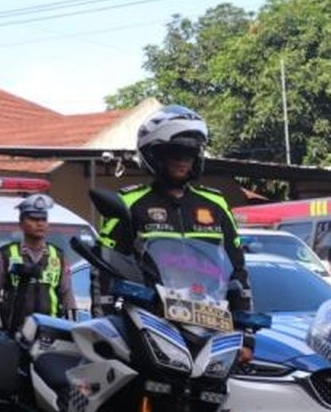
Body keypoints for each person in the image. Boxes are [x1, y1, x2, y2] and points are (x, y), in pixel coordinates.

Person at [97, 105, 249, 308]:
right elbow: (106, 264)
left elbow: (237, 267)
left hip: (209, 315)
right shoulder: (129, 202)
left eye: (191, 153)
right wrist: (104, 313)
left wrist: (245, 318)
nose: (184, 161)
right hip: (148, 315)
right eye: (177, 153)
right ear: (156, 155)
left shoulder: (215, 204)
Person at [0, 194, 76, 334]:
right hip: (13, 334)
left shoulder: (58, 256)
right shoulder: (6, 254)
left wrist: (70, 334)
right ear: (21, 224)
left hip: (49, 334)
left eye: (43, 219)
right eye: (33, 219)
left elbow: (68, 300)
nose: (40, 223)